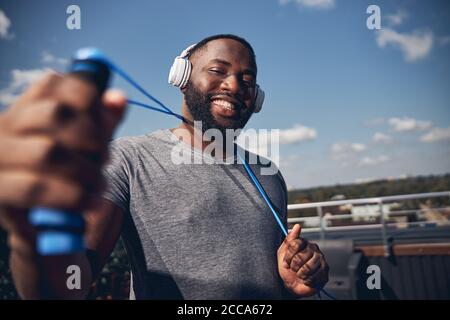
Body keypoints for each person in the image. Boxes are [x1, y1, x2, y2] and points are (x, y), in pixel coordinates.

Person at [0, 34, 328, 299]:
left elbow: (278, 270)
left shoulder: (268, 172)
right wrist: (31, 240)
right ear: (182, 78)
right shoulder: (128, 159)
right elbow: (66, 287)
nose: (234, 86)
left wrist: (299, 278)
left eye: (247, 79)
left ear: (256, 99)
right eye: (218, 71)